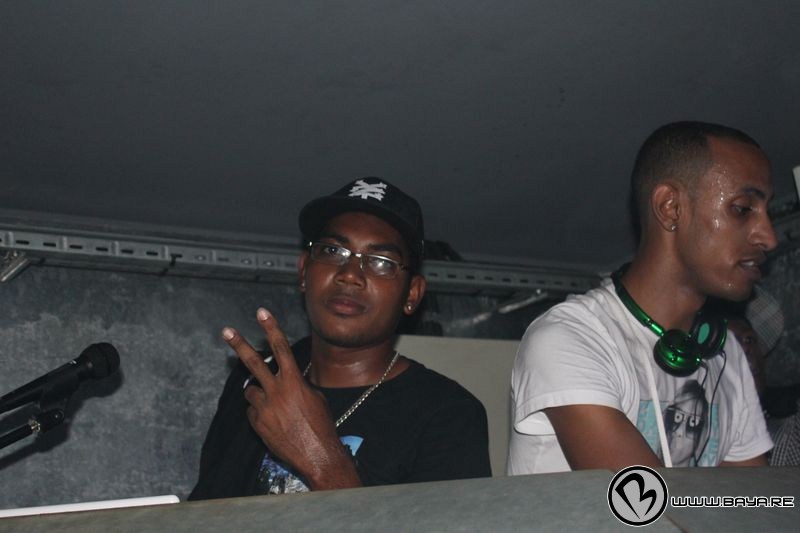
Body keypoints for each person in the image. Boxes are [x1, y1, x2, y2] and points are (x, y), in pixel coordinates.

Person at [190, 177, 491, 499]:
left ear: (412, 295)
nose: (349, 274)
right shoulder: (257, 381)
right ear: (304, 271)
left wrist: (322, 462)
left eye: (381, 262)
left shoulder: (447, 413)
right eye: (333, 251)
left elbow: (446, 522)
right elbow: (208, 509)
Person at [508, 121, 777, 473]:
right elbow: (642, 499)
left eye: (768, 213)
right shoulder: (569, 338)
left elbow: (753, 500)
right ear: (670, 207)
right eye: (742, 209)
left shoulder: (726, 353)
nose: (768, 237)